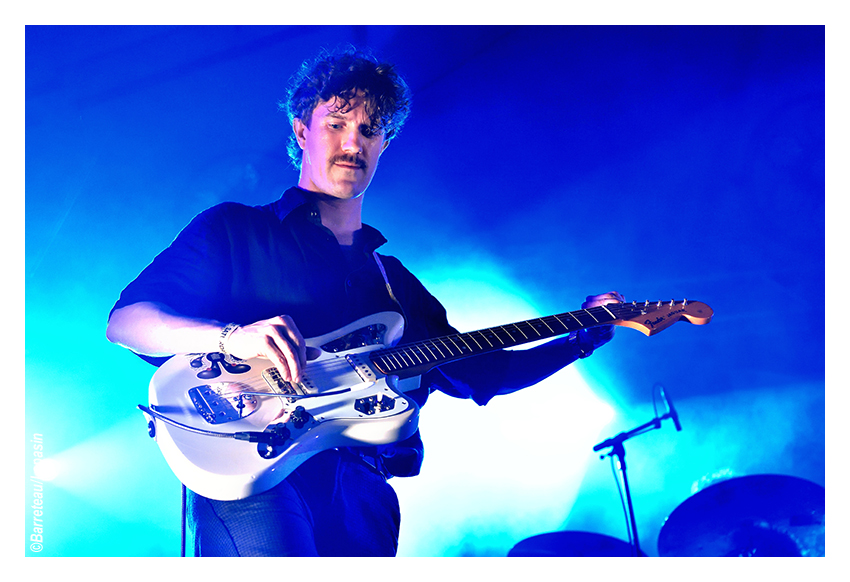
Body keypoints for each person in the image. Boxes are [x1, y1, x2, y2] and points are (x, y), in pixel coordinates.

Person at [106, 47, 623, 557]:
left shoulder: (394, 283)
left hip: (364, 495)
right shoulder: (235, 230)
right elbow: (127, 322)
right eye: (336, 123)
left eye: (370, 130)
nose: (353, 142)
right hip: (253, 469)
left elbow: (481, 374)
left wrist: (581, 338)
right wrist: (229, 336)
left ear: (384, 144)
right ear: (301, 129)